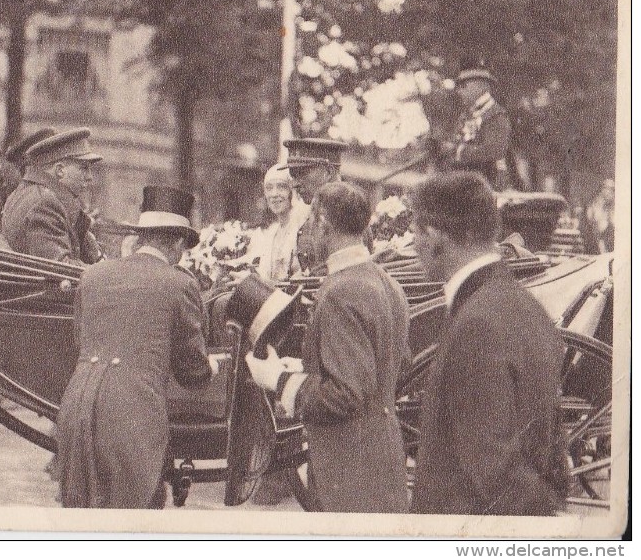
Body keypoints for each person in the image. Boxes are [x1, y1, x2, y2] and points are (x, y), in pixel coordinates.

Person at [409, 172, 567, 515]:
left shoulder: (476, 323)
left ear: (434, 236)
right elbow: (556, 462)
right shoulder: (528, 307)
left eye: (415, 232)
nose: (413, 245)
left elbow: (497, 473)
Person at [246, 182, 410, 513]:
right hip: (384, 461)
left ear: (323, 222)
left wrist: (278, 380)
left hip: (348, 471)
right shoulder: (387, 283)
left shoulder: (341, 291)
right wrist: (307, 369)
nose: (304, 234)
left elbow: (345, 394)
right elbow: (392, 367)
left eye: (307, 224)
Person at [55, 186, 219, 508]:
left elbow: (81, 339)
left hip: (75, 407)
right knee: (136, 519)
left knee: (80, 519)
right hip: (131, 413)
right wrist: (211, 365)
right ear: (176, 243)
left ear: (142, 238)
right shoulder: (180, 284)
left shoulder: (93, 275)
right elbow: (192, 373)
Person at [1, 127, 104, 265]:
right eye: (84, 168)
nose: (89, 177)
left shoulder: (24, 193)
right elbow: (60, 268)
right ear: (60, 170)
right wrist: (103, 272)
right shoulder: (45, 203)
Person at [432, 60, 512, 189]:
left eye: (464, 86)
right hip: (467, 184)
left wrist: (455, 150)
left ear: (480, 86)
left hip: (489, 186)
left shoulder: (496, 115)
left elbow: (493, 151)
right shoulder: (467, 115)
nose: (459, 91)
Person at [279, 137, 346, 277]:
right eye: (293, 176)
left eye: (301, 174)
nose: (294, 184)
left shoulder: (347, 216)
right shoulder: (322, 213)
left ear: (327, 172)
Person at [245, 164, 308, 283]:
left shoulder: (302, 227)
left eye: (281, 187)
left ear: (292, 191)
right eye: (269, 188)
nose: (274, 194)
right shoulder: (272, 233)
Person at [584, 178, 615, 254]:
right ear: (602, 190)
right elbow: (598, 229)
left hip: (607, 249)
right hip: (594, 249)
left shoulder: (610, 207)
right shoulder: (594, 206)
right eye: (609, 189)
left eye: (612, 190)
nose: (611, 193)